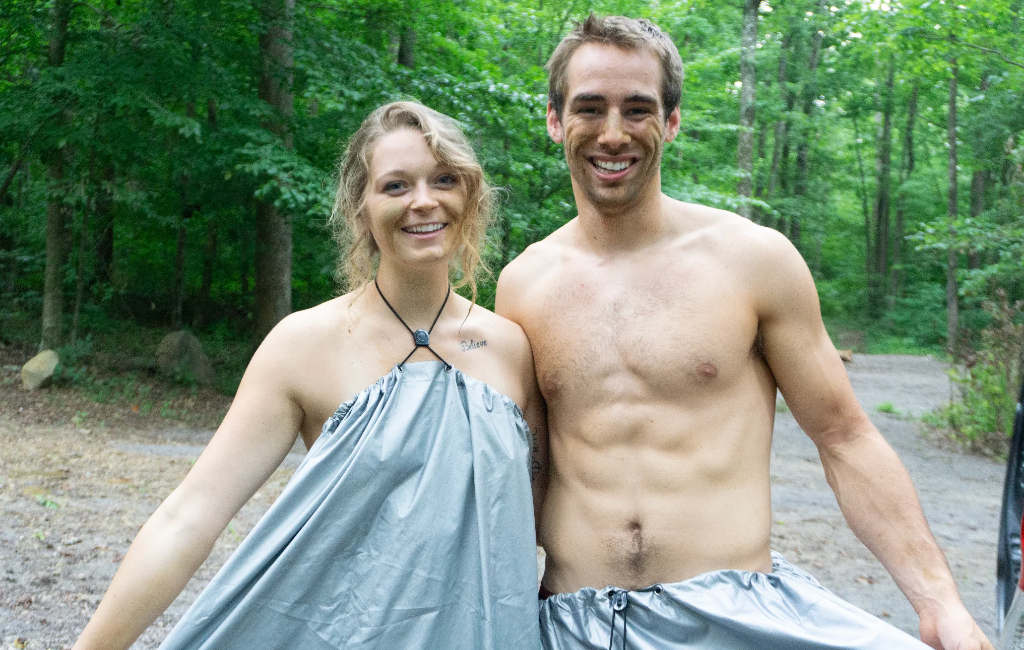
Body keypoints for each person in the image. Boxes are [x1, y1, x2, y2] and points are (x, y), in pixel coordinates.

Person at [495, 14, 993, 650]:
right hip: (572, 623)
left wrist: (940, 602)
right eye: (589, 108)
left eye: (638, 109)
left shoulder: (753, 260)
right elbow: (523, 471)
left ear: (671, 122)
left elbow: (844, 437)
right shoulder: (522, 286)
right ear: (554, 120)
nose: (613, 133)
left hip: (729, 619)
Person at [72, 101, 546, 650]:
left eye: (444, 179)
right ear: (359, 208)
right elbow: (191, 515)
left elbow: (536, 521)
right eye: (395, 186)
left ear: (470, 195)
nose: (423, 201)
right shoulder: (303, 344)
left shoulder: (510, 348)